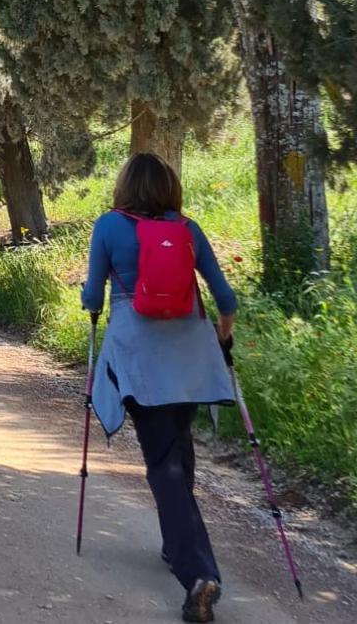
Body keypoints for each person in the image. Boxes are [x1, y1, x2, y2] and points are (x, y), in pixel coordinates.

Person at [82, 152, 239, 624]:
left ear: (124, 186)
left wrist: (97, 301)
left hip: (140, 355)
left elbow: (92, 296)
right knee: (178, 449)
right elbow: (226, 300)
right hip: (191, 352)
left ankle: (197, 574)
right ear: (169, 186)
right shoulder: (188, 229)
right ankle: (176, 548)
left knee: (164, 466)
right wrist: (222, 338)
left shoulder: (108, 226)